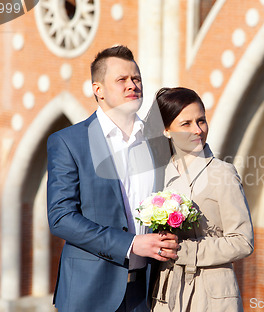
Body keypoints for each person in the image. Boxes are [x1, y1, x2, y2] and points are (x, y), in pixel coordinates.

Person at [46, 45, 178, 312]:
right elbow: (60, 217)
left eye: (136, 79)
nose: (132, 85)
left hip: (148, 291)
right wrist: (130, 244)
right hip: (88, 293)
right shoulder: (69, 142)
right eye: (122, 80)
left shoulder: (159, 143)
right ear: (98, 90)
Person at [151, 87, 254, 312]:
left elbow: (243, 241)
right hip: (166, 295)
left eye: (201, 121)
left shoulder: (223, 173)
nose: (197, 130)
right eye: (185, 124)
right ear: (167, 130)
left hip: (212, 295)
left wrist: (185, 251)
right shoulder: (157, 175)